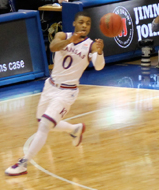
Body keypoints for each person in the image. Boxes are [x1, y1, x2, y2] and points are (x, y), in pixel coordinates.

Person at [6, 11, 106, 175]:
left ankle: (23, 163)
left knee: (45, 125)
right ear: (74, 24)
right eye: (81, 22)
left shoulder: (91, 45)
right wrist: (70, 41)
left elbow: (99, 66)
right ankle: (74, 129)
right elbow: (53, 47)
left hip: (67, 92)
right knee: (43, 122)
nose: (84, 26)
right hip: (50, 86)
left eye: (88, 23)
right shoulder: (62, 35)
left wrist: (100, 52)